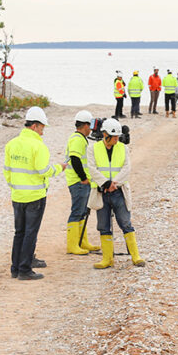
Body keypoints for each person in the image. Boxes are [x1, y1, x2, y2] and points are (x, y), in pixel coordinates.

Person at [4, 106, 67, 280]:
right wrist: (59, 168)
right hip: (35, 197)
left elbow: (7, 171)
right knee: (30, 233)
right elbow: (43, 170)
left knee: (19, 232)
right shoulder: (38, 146)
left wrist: (15, 187)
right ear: (34, 126)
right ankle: (25, 270)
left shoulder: (12, 144)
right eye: (42, 128)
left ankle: (15, 268)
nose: (43, 132)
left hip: (17, 196)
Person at [89, 118, 145, 268]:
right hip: (102, 193)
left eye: (118, 137)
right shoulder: (93, 149)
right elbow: (92, 169)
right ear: (105, 134)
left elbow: (126, 168)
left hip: (118, 192)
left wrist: (115, 184)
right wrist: (106, 183)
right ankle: (107, 259)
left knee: (125, 223)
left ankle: (136, 256)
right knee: (103, 226)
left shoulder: (123, 148)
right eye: (114, 137)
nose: (117, 139)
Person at [64, 110, 101, 255]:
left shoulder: (79, 138)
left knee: (83, 212)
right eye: (89, 125)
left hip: (80, 182)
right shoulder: (77, 139)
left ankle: (82, 241)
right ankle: (72, 245)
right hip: (78, 182)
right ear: (85, 125)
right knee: (77, 212)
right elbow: (75, 159)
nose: (91, 129)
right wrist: (83, 178)